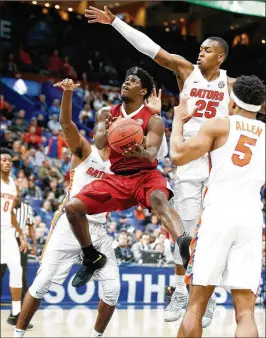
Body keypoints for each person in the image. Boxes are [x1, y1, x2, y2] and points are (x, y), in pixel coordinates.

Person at [84, 6, 235, 324]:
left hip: (220, 163)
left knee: (216, 232)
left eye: (206, 50)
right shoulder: (185, 71)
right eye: (200, 48)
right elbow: (151, 48)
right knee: (185, 234)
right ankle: (182, 290)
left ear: (220, 56)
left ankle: (205, 297)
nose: (200, 53)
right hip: (189, 160)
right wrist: (116, 23)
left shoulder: (232, 85)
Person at [65, 66, 191, 288]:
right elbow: (100, 144)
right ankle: (91, 256)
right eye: (126, 79)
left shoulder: (154, 120)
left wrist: (141, 153)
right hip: (117, 178)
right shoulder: (106, 113)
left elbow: (152, 153)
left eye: (133, 81)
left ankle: (183, 243)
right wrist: (111, 129)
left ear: (143, 91)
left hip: (146, 175)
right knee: (73, 208)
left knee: (159, 200)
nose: (126, 83)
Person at [14, 79, 120, 338]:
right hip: (69, 226)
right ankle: (17, 335)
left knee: (113, 290)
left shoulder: (120, 162)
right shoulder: (84, 149)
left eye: (111, 120)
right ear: (95, 125)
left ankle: (96, 336)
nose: (107, 123)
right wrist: (69, 93)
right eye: (103, 120)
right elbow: (65, 124)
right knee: (41, 283)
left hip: (98, 230)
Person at [169, 75, 265, 338]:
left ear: (231, 103)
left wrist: (179, 119)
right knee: (246, 312)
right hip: (251, 217)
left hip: (218, 213)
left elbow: (177, 155)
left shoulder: (218, 125)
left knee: (196, 306)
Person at [0, 148, 30, 326]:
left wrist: (21, 235)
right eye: (3, 160)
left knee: (17, 270)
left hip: (6, 232)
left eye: (9, 160)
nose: (7, 162)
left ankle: (16, 313)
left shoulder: (12, 183)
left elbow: (11, 213)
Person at [1, 190, 36, 300]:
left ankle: (23, 302)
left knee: (21, 273)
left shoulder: (27, 208)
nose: (17, 198)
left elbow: (30, 226)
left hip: (20, 242)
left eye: (19, 196)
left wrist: (34, 244)